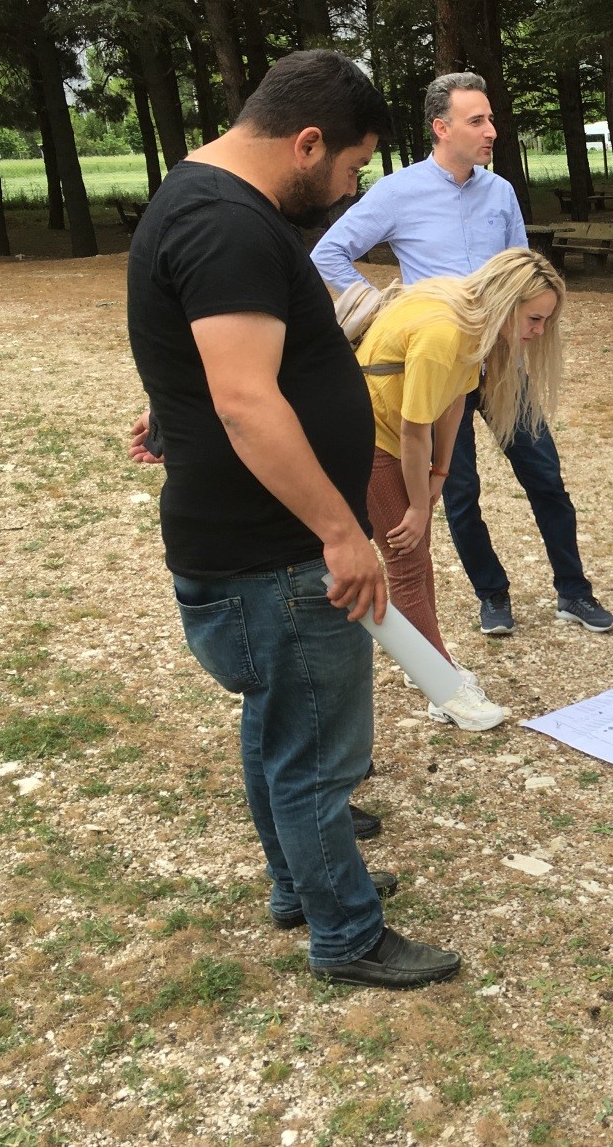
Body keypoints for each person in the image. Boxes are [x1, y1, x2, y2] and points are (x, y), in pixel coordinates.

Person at [126, 49, 459, 989]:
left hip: (246, 539)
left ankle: (298, 883)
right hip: (274, 551)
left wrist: (174, 402)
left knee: (281, 724)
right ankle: (346, 935)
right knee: (317, 752)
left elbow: (204, 361)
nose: (349, 188)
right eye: (351, 168)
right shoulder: (227, 224)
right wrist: (341, 534)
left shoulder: (200, 199)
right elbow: (244, 401)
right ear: (306, 142)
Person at [311, 71, 613, 640]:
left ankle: (574, 592)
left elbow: (522, 275)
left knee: (545, 477)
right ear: (441, 127)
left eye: (492, 119)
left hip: (501, 362)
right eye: (478, 120)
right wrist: (382, 309)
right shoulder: (399, 192)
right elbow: (329, 254)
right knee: (458, 489)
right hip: (439, 363)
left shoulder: (499, 192)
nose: (491, 131)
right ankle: (492, 595)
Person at [359, 248, 565, 730]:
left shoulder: (473, 319)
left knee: (417, 558)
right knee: (407, 561)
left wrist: (439, 477)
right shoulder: (445, 332)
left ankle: (425, 659)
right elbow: (413, 430)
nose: (537, 332)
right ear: (507, 301)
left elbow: (454, 402)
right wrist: (415, 504)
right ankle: (441, 688)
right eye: (534, 319)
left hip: (394, 435)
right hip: (368, 436)